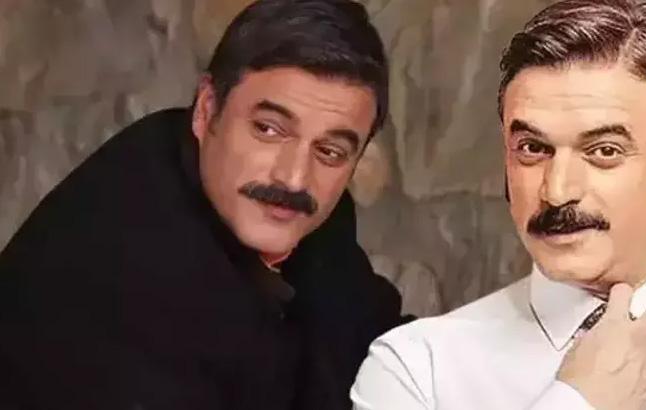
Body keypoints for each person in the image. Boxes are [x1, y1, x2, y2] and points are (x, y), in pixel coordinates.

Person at [0, 1, 405, 409]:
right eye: (268, 129)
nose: (295, 178)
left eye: (330, 151)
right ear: (206, 109)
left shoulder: (301, 212)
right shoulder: (119, 272)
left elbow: (374, 338)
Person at [351, 0, 646, 409]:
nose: (557, 191)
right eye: (532, 148)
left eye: (604, 151)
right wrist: (581, 402)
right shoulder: (415, 369)